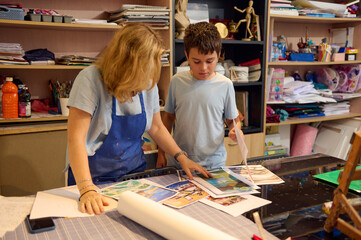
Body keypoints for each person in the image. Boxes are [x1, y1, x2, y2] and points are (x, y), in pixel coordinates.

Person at [66, 22, 211, 215]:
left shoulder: (147, 81)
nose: (144, 84)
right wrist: (86, 189)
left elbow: (157, 127)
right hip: (94, 179)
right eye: (140, 76)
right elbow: (76, 138)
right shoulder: (90, 80)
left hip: (134, 178)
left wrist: (181, 157)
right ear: (125, 66)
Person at [156, 22, 244, 170]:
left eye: (210, 61)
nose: (203, 68)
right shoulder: (177, 81)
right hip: (179, 161)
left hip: (214, 163)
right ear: (186, 55)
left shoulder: (225, 85)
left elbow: (232, 121)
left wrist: (237, 130)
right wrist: (161, 153)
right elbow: (168, 118)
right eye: (196, 61)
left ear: (219, 55)